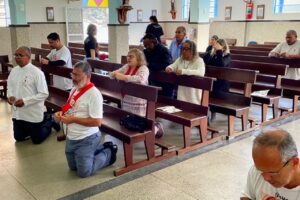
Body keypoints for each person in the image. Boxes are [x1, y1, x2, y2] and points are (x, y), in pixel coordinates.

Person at [54, 61, 118, 178]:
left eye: (77, 75)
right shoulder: (74, 89)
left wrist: (73, 120)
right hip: (72, 137)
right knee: (73, 167)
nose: (74, 78)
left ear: (88, 76)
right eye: (73, 74)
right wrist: (60, 113)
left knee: (84, 173)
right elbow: (70, 107)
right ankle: (92, 151)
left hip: (87, 137)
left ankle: (109, 152)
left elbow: (97, 122)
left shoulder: (94, 94)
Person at [110, 48, 164, 138]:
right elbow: (112, 74)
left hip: (139, 99)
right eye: (128, 56)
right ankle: (133, 132)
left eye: (131, 56)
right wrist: (113, 74)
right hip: (128, 98)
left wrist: (124, 77)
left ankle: (156, 128)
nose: (128, 58)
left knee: (142, 121)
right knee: (131, 119)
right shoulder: (127, 66)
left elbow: (140, 79)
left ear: (138, 58)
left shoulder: (144, 68)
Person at [7, 46, 52, 144]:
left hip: (33, 112)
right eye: (16, 55)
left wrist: (25, 101)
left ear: (28, 57)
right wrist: (10, 96)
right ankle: (31, 129)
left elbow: (44, 93)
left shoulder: (37, 72)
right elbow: (9, 86)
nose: (17, 57)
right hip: (19, 113)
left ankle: (49, 122)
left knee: (37, 140)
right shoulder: (14, 71)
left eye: (20, 55)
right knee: (18, 137)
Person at [241, 129, 300, 200]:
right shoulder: (258, 169)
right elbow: (247, 196)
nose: (266, 178)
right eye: (260, 171)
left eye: (273, 173)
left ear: (294, 162)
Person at [143, 33, 173, 97]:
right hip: (152, 79)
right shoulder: (146, 51)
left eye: (148, 45)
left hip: (164, 81)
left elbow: (166, 65)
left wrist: (149, 64)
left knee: (164, 101)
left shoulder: (164, 50)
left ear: (154, 42)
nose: (147, 47)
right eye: (145, 46)